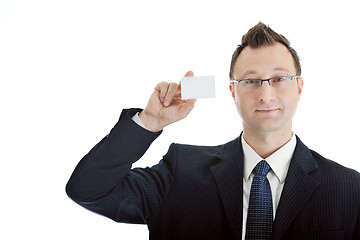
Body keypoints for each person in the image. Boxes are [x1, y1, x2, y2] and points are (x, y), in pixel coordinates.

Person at [66, 22, 360, 240]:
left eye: (279, 79)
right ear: (233, 91)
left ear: (299, 87)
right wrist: (149, 122)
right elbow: (88, 190)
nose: (266, 94)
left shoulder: (349, 188)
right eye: (251, 81)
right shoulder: (180, 170)